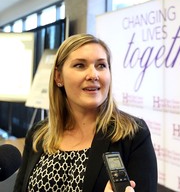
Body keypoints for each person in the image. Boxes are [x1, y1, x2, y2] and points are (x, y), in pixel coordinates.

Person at [13, 34, 158, 192]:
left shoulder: (133, 134)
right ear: (58, 76)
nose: (93, 75)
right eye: (80, 65)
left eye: (101, 65)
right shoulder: (38, 134)